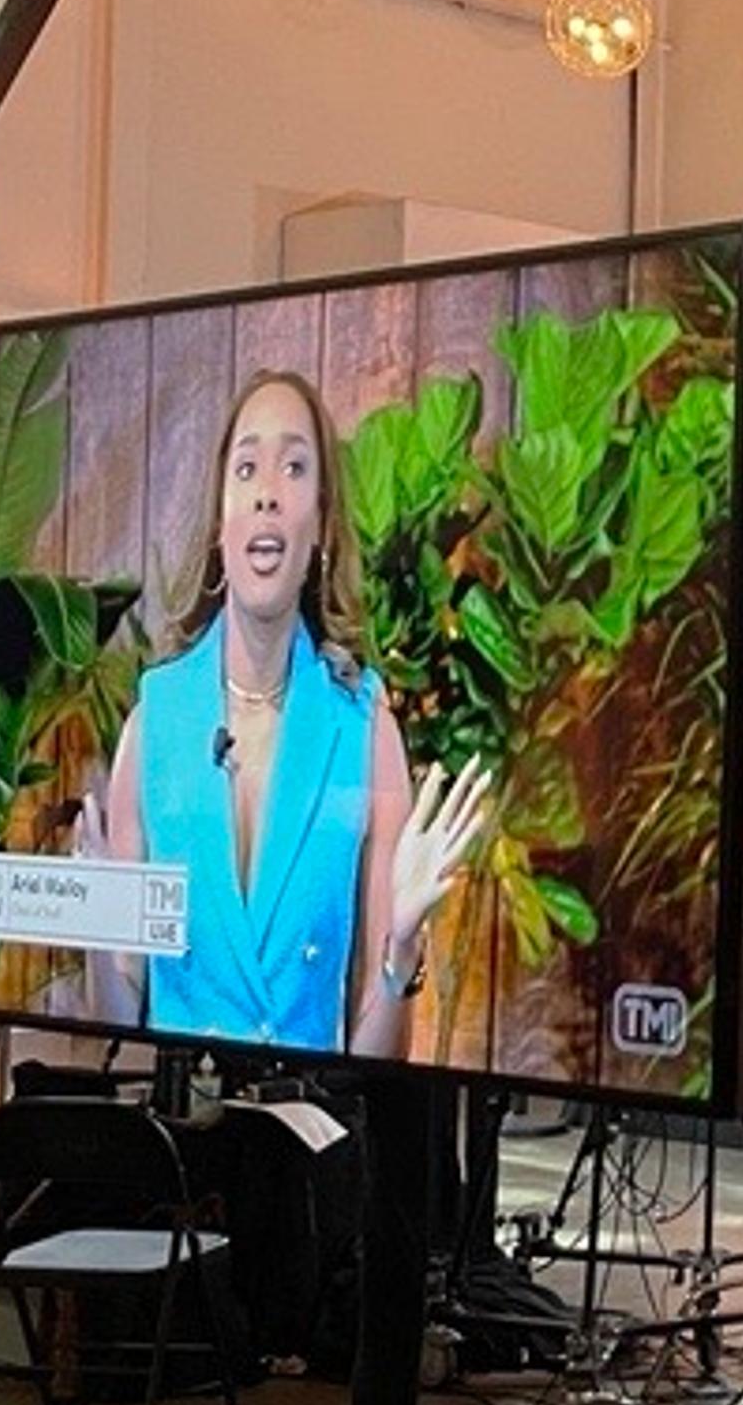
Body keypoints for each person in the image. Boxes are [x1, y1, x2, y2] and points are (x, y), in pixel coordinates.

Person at [78, 371, 491, 1058]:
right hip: (176, 1135)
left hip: (306, 1133)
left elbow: (377, 1055)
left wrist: (402, 946)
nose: (267, 490)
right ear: (220, 519)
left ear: (322, 522)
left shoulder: (363, 731)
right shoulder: (155, 724)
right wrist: (99, 930)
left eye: (294, 467)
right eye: (247, 468)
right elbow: (117, 1022)